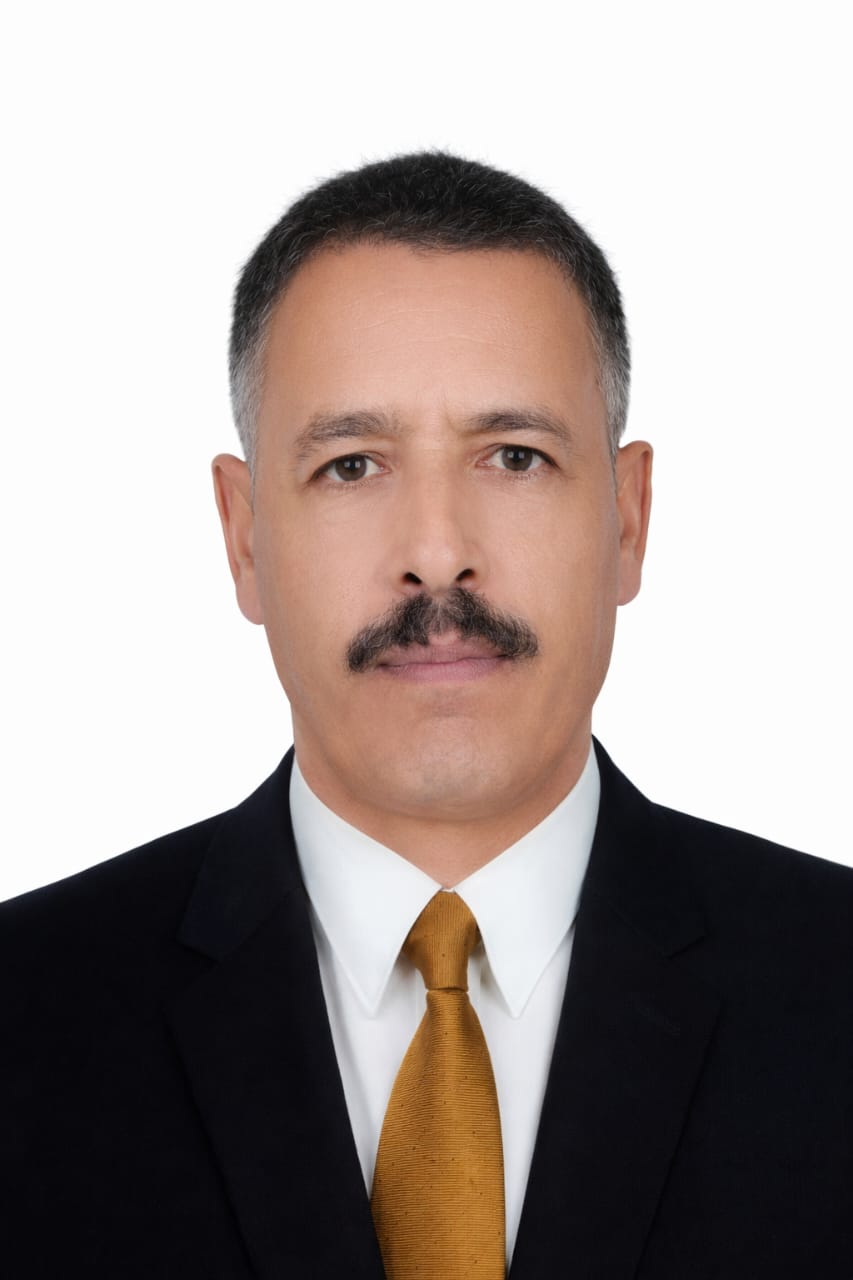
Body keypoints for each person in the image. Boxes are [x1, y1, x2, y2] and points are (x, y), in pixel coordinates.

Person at [1, 152, 850, 1279]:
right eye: (352, 465)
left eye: (515, 456)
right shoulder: (22, 1015)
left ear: (627, 518)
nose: (437, 552)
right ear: (245, 537)